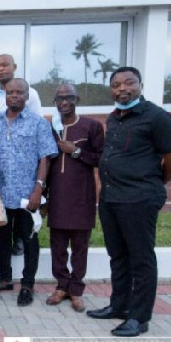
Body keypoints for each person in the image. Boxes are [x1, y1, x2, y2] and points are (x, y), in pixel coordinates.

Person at [87, 67, 171, 337]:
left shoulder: (157, 117)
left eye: (128, 83)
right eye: (116, 84)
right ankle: (119, 306)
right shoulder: (115, 117)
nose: (122, 89)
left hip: (139, 199)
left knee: (141, 258)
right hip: (111, 198)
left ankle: (139, 318)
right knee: (118, 255)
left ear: (140, 84)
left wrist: (151, 183)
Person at [0, 78, 58, 307]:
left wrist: (38, 188)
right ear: (5, 96)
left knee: (29, 239)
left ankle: (28, 284)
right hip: (1, 191)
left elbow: (45, 158)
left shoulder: (39, 123)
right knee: (2, 238)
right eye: (10, 93)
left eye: (20, 92)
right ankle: (5, 278)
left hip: (27, 193)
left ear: (27, 96)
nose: (15, 96)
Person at [45, 84, 104, 313]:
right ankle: (61, 286)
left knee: (80, 246)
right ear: (55, 101)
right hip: (58, 196)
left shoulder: (91, 126)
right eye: (60, 98)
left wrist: (76, 152)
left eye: (68, 97)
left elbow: (101, 158)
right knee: (57, 245)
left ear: (76, 99)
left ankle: (77, 290)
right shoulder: (51, 127)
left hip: (82, 196)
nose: (64, 102)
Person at [0, 54, 42, 257]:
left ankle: (19, 240)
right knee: (2, 215)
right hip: (1, 166)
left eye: (4, 65)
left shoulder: (31, 93)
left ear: (14, 67)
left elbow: (36, 125)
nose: (1, 69)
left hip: (24, 167)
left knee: (23, 216)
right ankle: (4, 259)